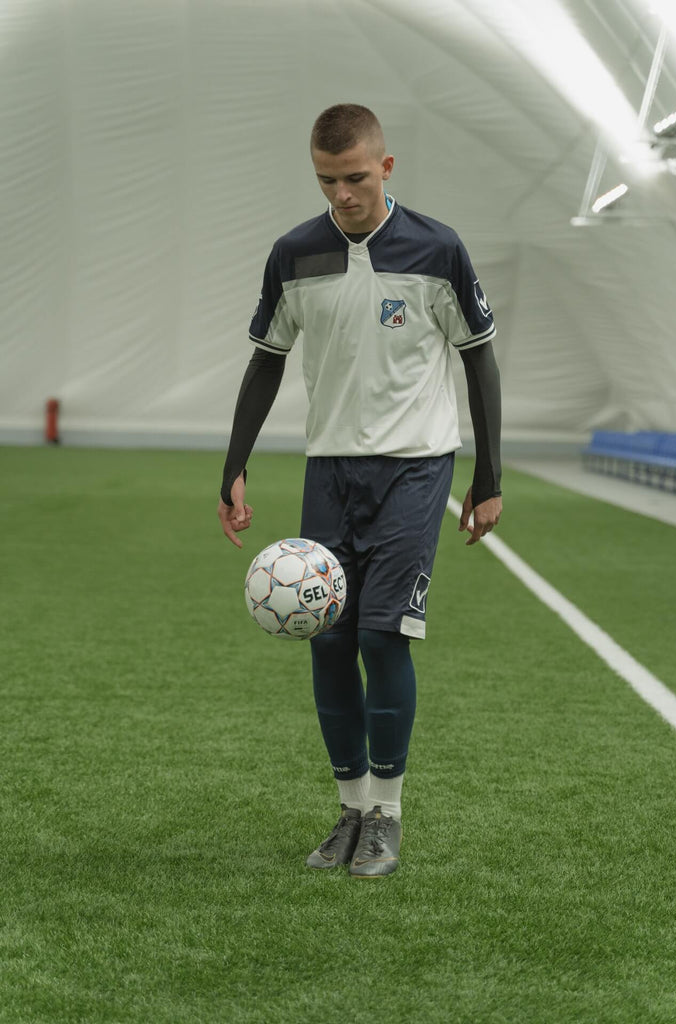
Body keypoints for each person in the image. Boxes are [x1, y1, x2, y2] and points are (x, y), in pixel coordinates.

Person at [218, 104, 502, 877]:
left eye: (352, 177)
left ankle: (387, 814)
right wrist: (233, 463)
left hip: (416, 466)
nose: (340, 194)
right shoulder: (294, 254)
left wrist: (487, 476)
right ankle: (348, 811)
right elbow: (267, 359)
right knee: (329, 641)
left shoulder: (438, 249)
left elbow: (477, 356)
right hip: (329, 470)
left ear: (385, 167)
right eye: (325, 180)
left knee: (382, 636)